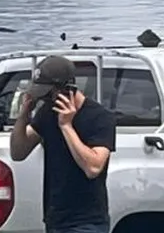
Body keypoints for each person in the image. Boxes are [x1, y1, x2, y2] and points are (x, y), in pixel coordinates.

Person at [9, 56, 116, 233]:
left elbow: (93, 168)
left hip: (86, 220)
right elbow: (18, 152)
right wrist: (23, 115)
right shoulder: (47, 113)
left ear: (65, 89)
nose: (44, 98)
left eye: (46, 93)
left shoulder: (100, 117)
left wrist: (66, 126)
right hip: (55, 218)